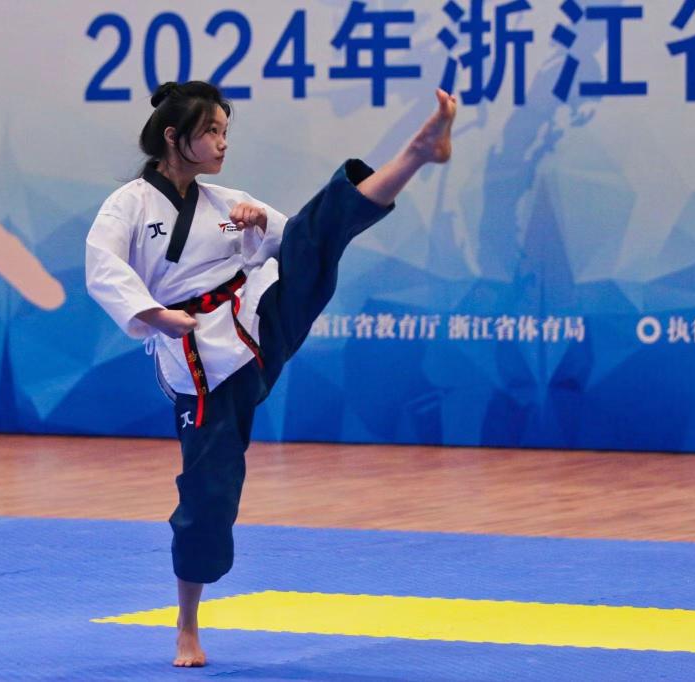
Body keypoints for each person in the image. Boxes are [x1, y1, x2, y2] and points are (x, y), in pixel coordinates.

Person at [86, 81, 457, 667]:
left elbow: (290, 240)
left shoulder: (224, 204)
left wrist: (258, 224)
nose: (222, 143)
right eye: (211, 132)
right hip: (203, 367)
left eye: (225, 131)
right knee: (208, 496)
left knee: (316, 231)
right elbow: (102, 265)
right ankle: (187, 625)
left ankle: (416, 153)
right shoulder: (128, 206)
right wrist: (153, 314)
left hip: (260, 320)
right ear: (174, 138)